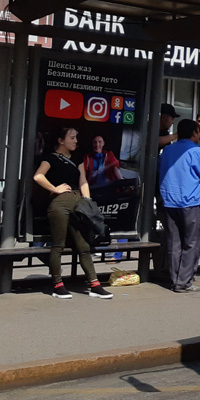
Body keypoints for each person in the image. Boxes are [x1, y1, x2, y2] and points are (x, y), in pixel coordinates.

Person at [33, 127, 114, 299]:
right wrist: (54, 189)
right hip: (59, 204)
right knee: (58, 245)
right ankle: (58, 285)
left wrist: (88, 201)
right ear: (61, 140)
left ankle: (94, 285)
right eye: (72, 137)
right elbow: (38, 176)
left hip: (78, 203)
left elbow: (83, 181)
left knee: (84, 246)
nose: (76, 140)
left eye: (76, 137)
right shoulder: (50, 158)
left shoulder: (77, 159)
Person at [157, 118, 200, 293]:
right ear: (195, 133)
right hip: (191, 202)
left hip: (169, 201)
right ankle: (184, 281)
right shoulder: (198, 151)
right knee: (192, 242)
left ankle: (175, 279)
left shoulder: (167, 151)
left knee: (174, 242)